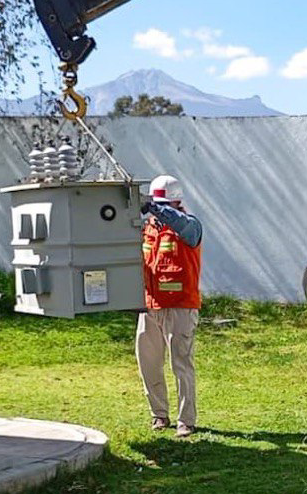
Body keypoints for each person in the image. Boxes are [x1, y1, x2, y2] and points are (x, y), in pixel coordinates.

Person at [136, 174, 204, 438]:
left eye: (163, 205)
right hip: (150, 306)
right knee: (148, 362)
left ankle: (186, 420)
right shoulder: (148, 229)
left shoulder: (189, 226)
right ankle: (159, 414)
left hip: (180, 306)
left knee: (181, 364)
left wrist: (154, 207)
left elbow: (177, 222)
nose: (158, 211)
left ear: (176, 202)